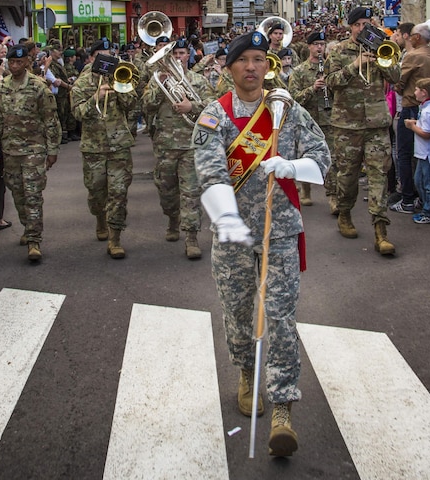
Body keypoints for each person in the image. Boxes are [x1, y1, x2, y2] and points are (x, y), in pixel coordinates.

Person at [194, 30, 331, 458]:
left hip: (281, 230)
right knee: (238, 312)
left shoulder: (286, 110)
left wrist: (292, 165)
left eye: (259, 59)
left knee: (281, 315)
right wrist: (226, 217)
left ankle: (283, 404)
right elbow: (210, 173)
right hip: (233, 233)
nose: (252, 67)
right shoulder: (213, 116)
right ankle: (247, 371)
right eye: (243, 60)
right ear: (229, 67)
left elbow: (322, 157)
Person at [326, 7, 401, 256]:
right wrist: (354, 65)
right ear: (350, 27)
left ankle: (381, 231)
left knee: (379, 175)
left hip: (377, 124)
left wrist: (382, 55)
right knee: (347, 175)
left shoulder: (381, 46)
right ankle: (345, 212)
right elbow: (331, 82)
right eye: (358, 24)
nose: (362, 28)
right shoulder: (337, 50)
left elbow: (396, 77)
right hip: (347, 124)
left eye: (366, 23)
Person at [142, 38, 215, 260]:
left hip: (191, 145)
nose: (178, 58)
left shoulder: (198, 81)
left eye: (182, 53)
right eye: (174, 55)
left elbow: (214, 109)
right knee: (167, 192)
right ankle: (172, 218)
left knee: (191, 193)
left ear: (188, 55)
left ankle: (191, 237)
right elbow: (146, 106)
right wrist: (160, 85)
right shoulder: (157, 81)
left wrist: (192, 106)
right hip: (165, 146)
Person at [0, 44, 60, 262]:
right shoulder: (4, 87)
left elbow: (50, 119)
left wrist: (52, 149)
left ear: (27, 63)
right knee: (17, 193)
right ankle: (28, 226)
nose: (15, 65)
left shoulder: (38, 86)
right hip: (10, 150)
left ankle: (34, 240)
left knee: (32, 195)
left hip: (33, 149)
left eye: (19, 62)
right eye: (11, 62)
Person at [71, 39, 140, 258]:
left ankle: (115, 238)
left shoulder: (119, 76)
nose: (106, 61)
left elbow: (132, 105)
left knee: (118, 193)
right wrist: (95, 97)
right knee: (96, 192)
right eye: (101, 56)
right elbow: (77, 114)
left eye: (109, 56)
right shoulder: (82, 84)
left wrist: (119, 87)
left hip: (119, 145)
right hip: (94, 148)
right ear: (92, 59)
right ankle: (100, 218)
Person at [392, 23, 430, 215]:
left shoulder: (413, 55)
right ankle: (421, 198)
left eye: (411, 35)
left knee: (403, 155)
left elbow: (398, 82)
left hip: (411, 106)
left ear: (417, 37)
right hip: (426, 106)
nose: (409, 37)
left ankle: (408, 199)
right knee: (420, 157)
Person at [288, 31, 335, 209]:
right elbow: (294, 99)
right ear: (309, 47)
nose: (319, 48)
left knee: (331, 159)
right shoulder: (299, 71)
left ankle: (333, 196)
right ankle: (305, 189)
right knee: (304, 157)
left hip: (328, 119)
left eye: (322, 44)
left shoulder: (331, 69)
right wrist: (312, 89)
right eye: (316, 44)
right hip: (307, 122)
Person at [404, 78, 430, 224]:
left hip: (429, 153)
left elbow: (427, 133)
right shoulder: (426, 107)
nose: (414, 92)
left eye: (416, 89)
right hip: (423, 152)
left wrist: (411, 126)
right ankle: (426, 206)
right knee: (419, 180)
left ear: (424, 92)